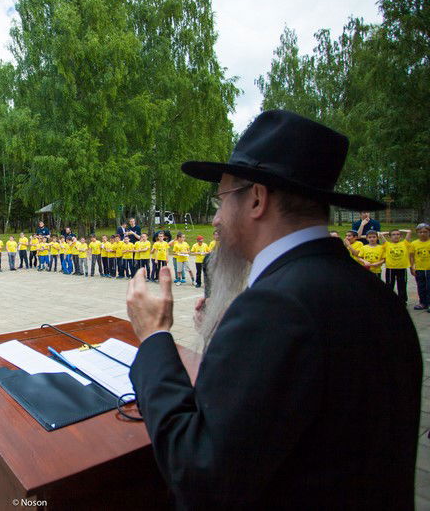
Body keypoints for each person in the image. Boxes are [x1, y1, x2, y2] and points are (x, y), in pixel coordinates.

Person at [125, 109, 420, 509]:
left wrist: (155, 336)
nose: (215, 218)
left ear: (257, 199)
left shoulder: (275, 307)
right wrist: (236, 332)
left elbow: (199, 476)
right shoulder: (376, 295)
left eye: (222, 198)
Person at [380, 228, 412, 304]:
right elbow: (380, 234)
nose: (396, 236)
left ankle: (402, 301)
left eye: (398, 234)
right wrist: (389, 232)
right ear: (390, 237)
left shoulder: (404, 243)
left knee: (402, 285)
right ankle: (390, 301)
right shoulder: (387, 244)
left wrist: (400, 230)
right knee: (390, 285)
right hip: (391, 268)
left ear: (401, 236)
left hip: (402, 268)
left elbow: (409, 232)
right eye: (393, 235)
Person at [411, 222, 430, 311]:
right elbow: (411, 256)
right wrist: (412, 267)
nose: (422, 234)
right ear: (417, 233)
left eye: (425, 232)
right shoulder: (414, 243)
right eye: (420, 232)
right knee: (421, 286)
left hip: (429, 268)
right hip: (419, 268)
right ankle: (423, 303)